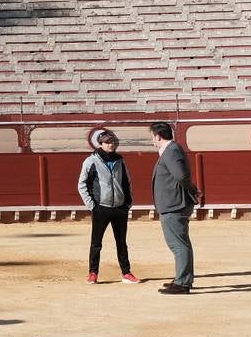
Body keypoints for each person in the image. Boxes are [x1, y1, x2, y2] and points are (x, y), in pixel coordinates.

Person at [77, 130, 139, 285]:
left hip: (119, 208)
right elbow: (82, 184)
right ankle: (93, 273)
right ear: (101, 144)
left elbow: (127, 182)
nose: (111, 145)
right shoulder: (91, 161)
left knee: (121, 242)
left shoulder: (120, 160)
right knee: (96, 243)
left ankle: (126, 273)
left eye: (113, 142)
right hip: (101, 208)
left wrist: (127, 203)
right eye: (108, 142)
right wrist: (92, 206)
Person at [150, 122, 202, 295]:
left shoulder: (171, 150)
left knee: (178, 245)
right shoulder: (171, 150)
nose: (153, 140)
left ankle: (183, 282)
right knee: (180, 243)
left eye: (153, 136)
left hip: (174, 203)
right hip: (174, 202)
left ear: (157, 136)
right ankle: (182, 278)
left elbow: (181, 176)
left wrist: (189, 189)